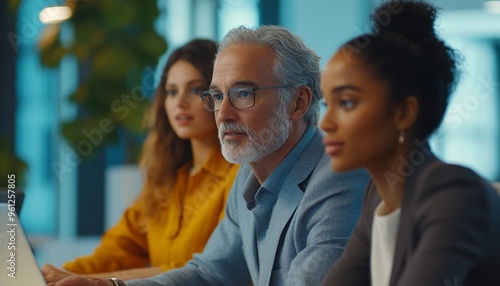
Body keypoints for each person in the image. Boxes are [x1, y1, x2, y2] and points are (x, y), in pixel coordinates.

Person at [48, 25, 369, 286]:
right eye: (217, 96)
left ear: (298, 103)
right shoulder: (248, 176)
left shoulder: (340, 176)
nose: (223, 113)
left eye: (244, 93)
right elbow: (208, 273)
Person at [319, 1, 500, 285]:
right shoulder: (377, 198)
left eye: (346, 103)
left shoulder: (454, 193)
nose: (325, 123)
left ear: (403, 113)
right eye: (327, 103)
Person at [43, 39, 239, 282]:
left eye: (195, 89)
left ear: (218, 95)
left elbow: (202, 270)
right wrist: (52, 275)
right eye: (171, 91)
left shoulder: (239, 177)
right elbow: (116, 250)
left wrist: (100, 281)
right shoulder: (165, 178)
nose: (179, 102)